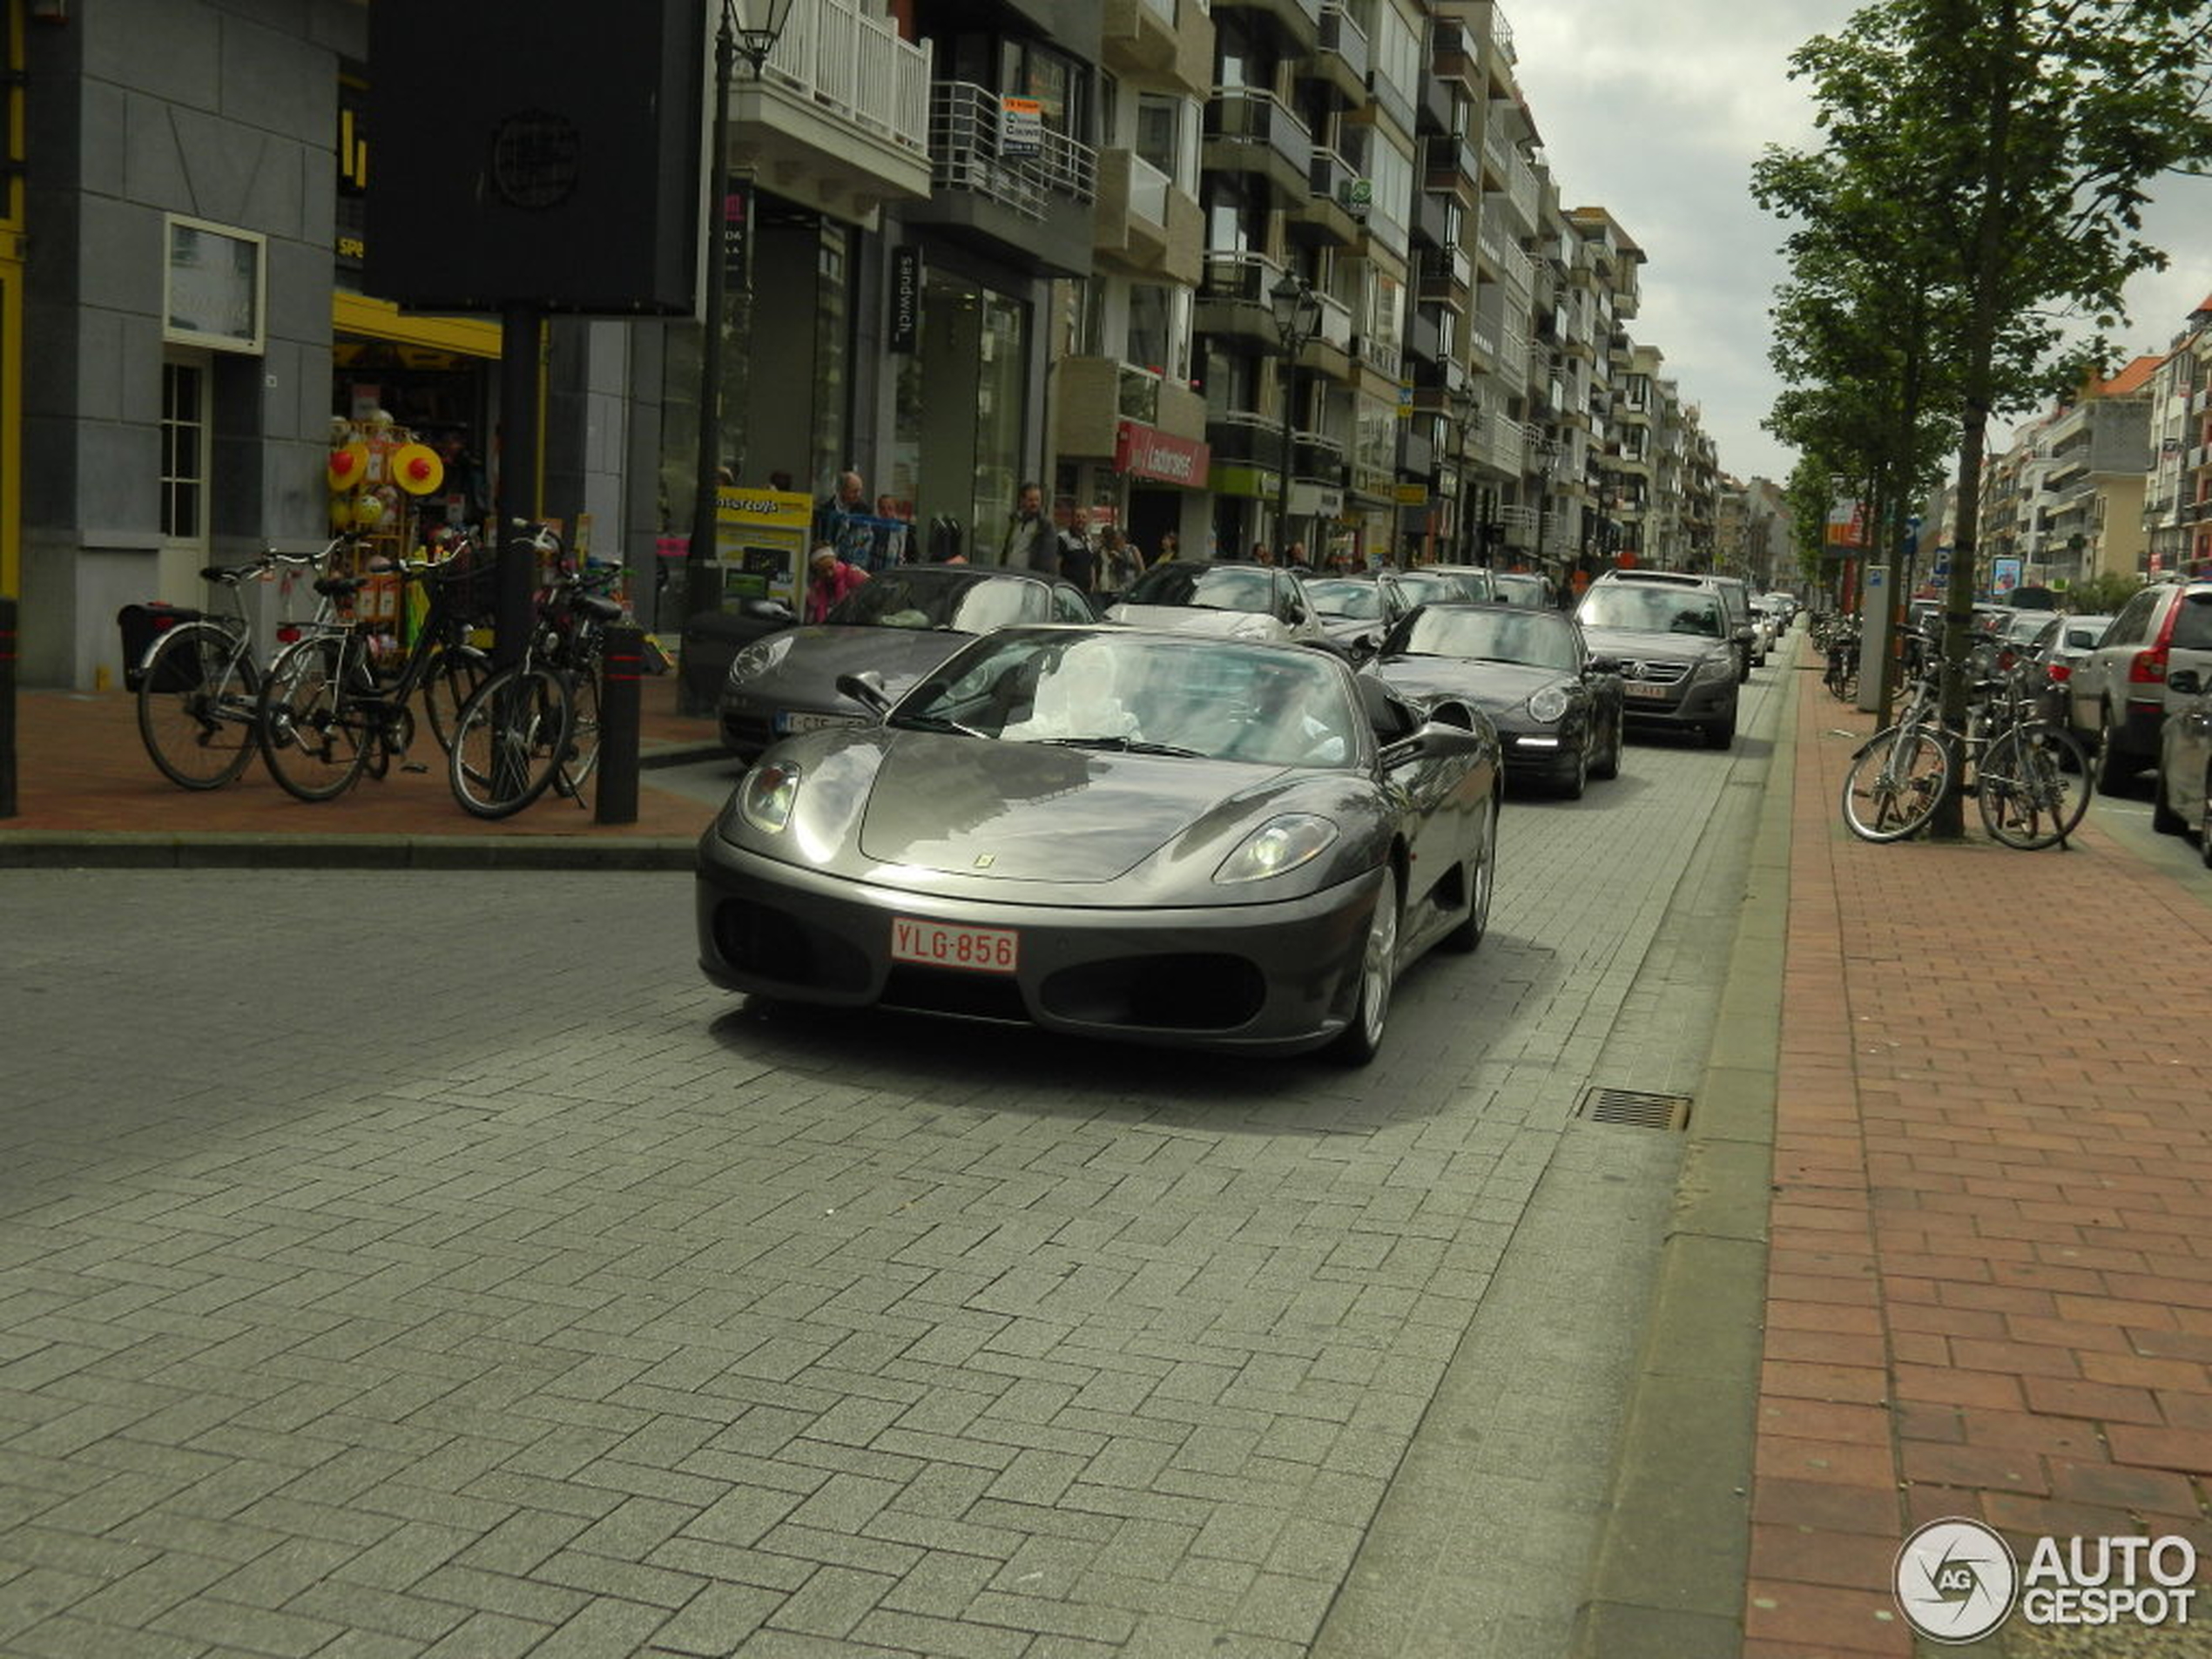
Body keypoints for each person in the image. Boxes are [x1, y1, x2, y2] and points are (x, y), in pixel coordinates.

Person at [804, 543, 868, 623]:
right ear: (816, 572)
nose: (829, 574)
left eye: (831, 567)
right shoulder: (817, 588)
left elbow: (872, 594)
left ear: (836, 561)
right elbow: (809, 621)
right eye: (823, 571)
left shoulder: (852, 574)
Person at [1001, 482, 1054, 572]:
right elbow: (1008, 549)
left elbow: (1047, 558)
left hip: (1029, 578)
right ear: (1022, 500)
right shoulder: (1015, 521)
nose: (1034, 504)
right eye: (1031, 500)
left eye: (1037, 500)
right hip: (1009, 574)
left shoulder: (1045, 526)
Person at [1056, 507, 1098, 593]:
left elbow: (1091, 565)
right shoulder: (1063, 538)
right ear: (1072, 518)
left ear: (1087, 520)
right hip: (1068, 590)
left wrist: (1093, 585)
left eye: (1083, 517)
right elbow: (1056, 564)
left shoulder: (1088, 539)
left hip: (1086, 591)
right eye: (1078, 516)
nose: (1081, 520)